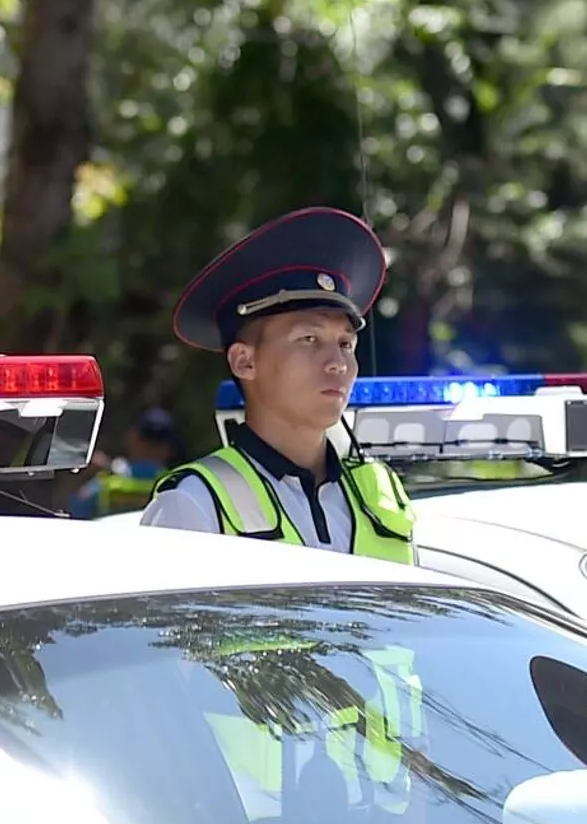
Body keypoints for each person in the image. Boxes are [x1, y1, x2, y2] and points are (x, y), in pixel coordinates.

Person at [142, 206, 417, 560]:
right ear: (244, 361)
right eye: (309, 339)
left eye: (345, 344)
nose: (337, 363)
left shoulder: (382, 496)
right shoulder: (194, 505)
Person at [67, 405, 184, 517]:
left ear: (132, 438)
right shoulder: (177, 485)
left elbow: (74, 510)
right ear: (170, 448)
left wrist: (82, 475)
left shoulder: (106, 482)